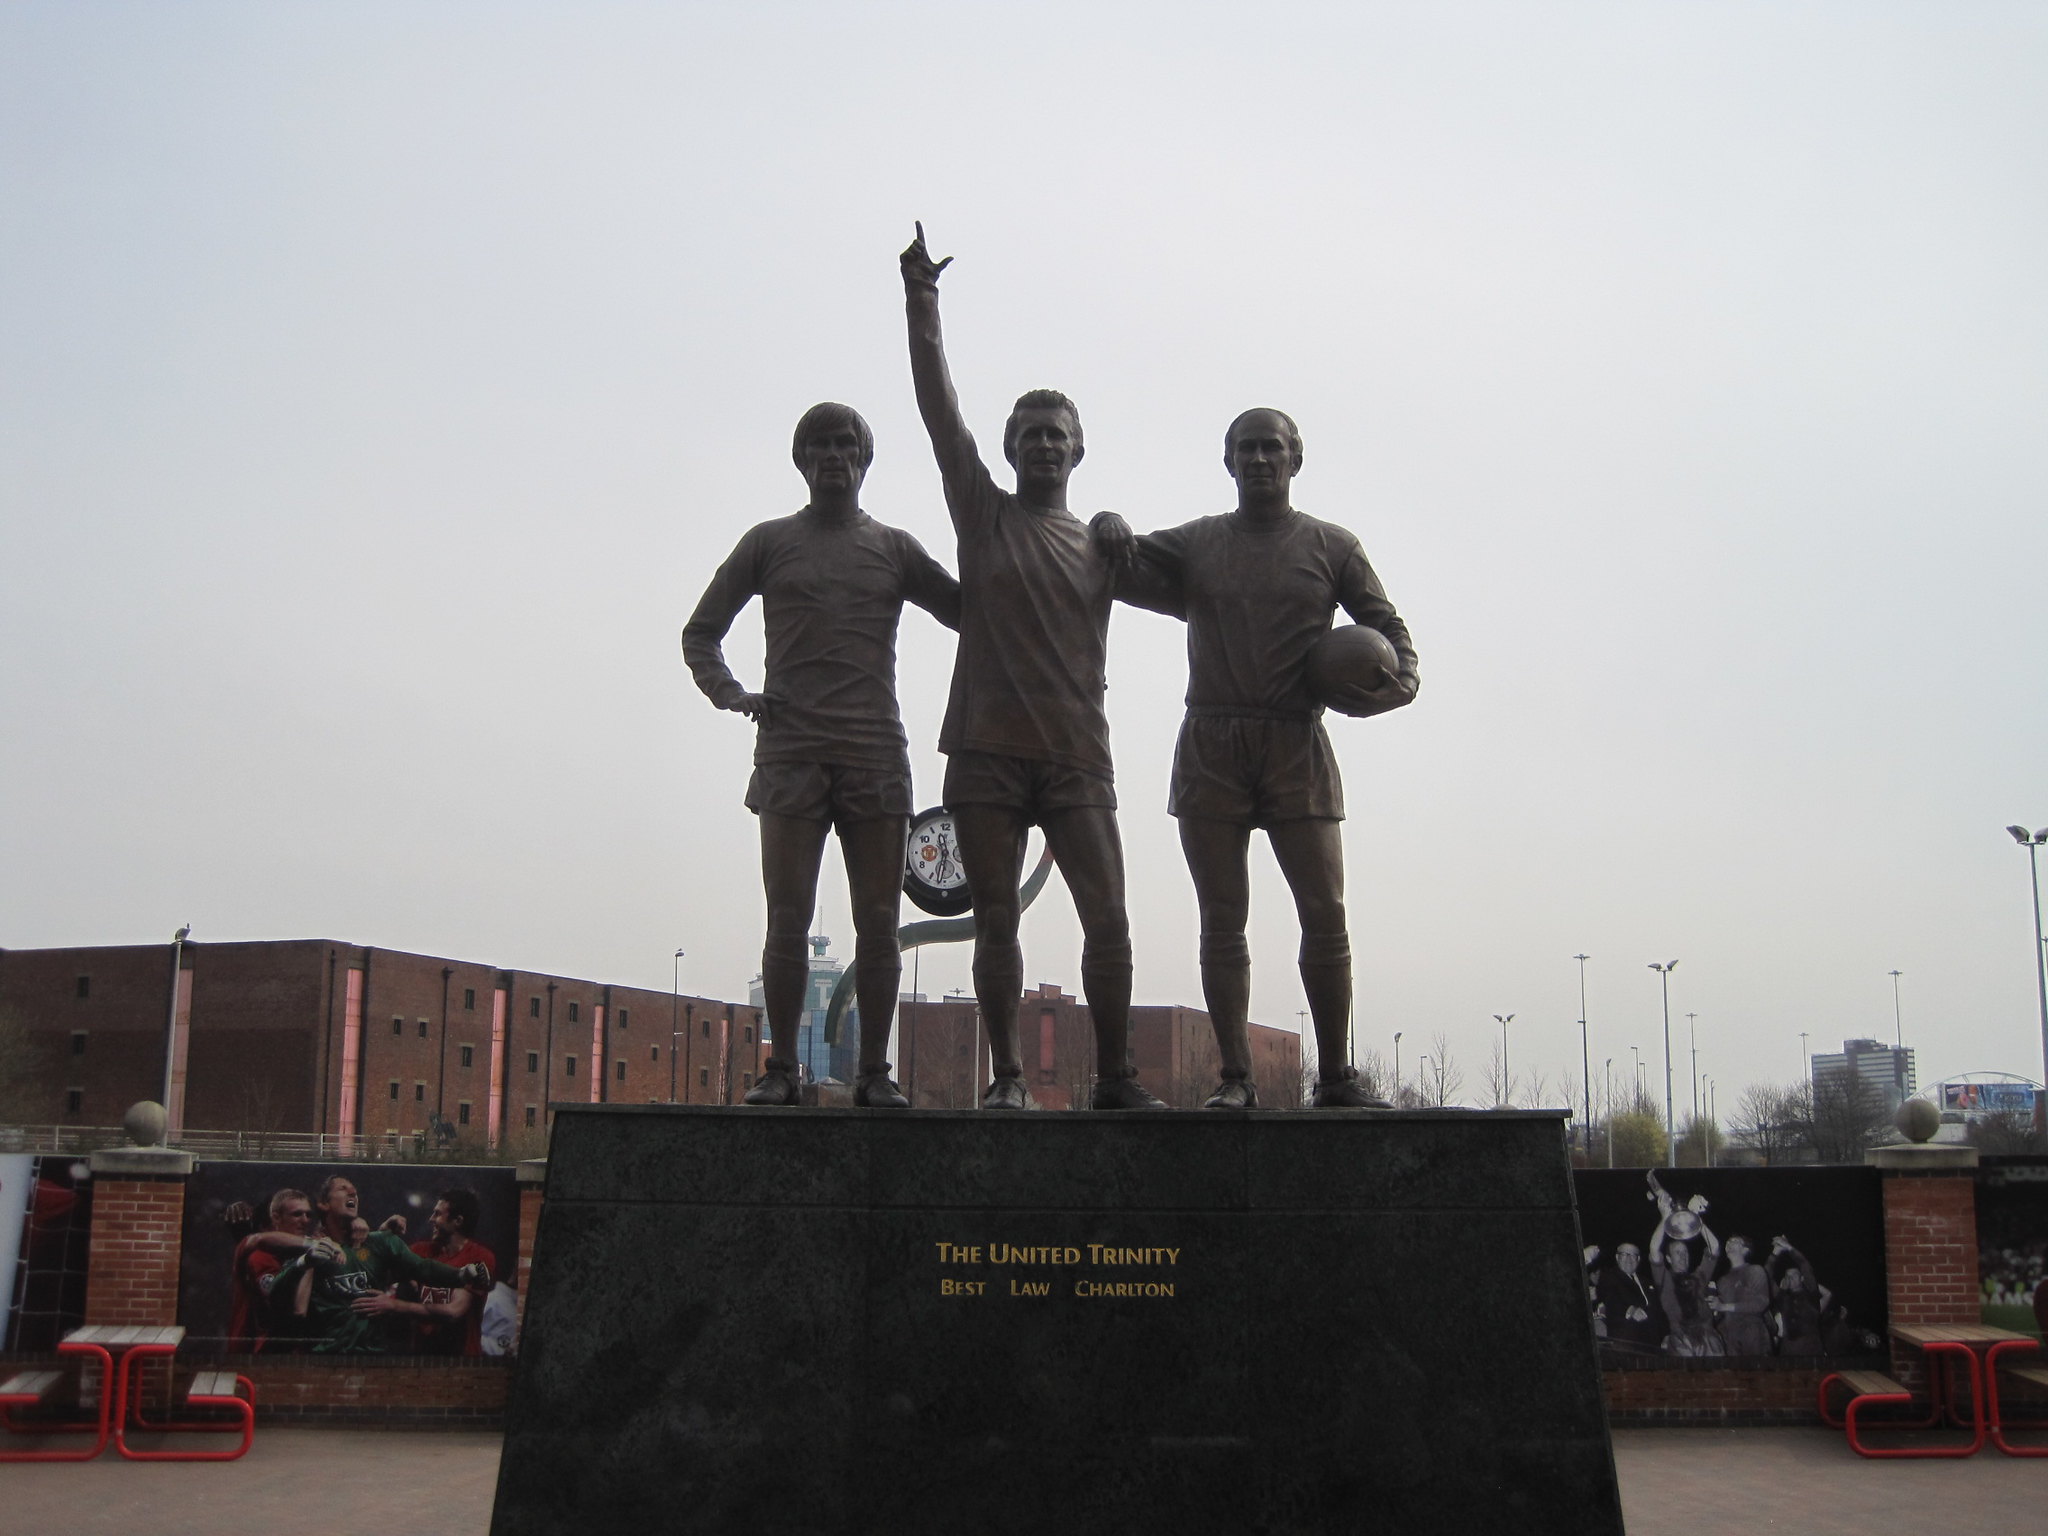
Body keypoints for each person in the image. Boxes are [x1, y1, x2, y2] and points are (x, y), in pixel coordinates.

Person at [900, 222, 1163, 1111]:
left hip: (1077, 754)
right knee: (998, 921)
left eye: (1058, 435)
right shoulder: (982, 512)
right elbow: (940, 412)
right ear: (1010, 450)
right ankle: (1008, 1078)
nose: (1044, 445)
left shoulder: (1104, 544)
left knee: (1111, 920)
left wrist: (1125, 533)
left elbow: (1199, 583)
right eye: (1030, 434)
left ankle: (1117, 1078)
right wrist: (922, 303)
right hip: (985, 752)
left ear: (1078, 451)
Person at [1108, 409, 1417, 1107]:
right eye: (1245, 448)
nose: (1258, 459)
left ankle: (1335, 1076)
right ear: (1228, 461)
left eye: (1271, 448)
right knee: (1222, 919)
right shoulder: (1198, 543)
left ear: (1294, 459)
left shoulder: (1333, 546)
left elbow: (1388, 628)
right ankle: (1236, 1079)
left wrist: (1403, 681)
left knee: (1325, 912)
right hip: (1212, 742)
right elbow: (1121, 563)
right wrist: (1106, 524)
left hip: (1294, 740)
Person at [684, 402, 960, 1108]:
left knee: (877, 922)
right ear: (801, 460)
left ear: (865, 460)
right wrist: (732, 693)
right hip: (792, 753)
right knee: (787, 916)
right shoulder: (768, 543)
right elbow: (701, 633)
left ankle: (873, 1071)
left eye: (846, 444)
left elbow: (971, 612)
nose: (833, 455)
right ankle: (780, 1068)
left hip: (874, 754)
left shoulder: (895, 548)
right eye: (819, 445)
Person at [268, 1175, 488, 1354]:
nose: (352, 1192)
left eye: (355, 1190)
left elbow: (423, 1268)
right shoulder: (314, 1249)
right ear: (324, 1204)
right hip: (325, 1356)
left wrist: (461, 1275)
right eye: (343, 1189)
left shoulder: (380, 1242)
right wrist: (305, 1262)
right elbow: (277, 1292)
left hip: (372, 1357)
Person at [350, 1188, 498, 1356]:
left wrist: (394, 1305)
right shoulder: (420, 1251)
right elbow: (372, 1270)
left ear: (457, 1221)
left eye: (437, 1214)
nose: (431, 1219)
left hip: (461, 1361)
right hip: (421, 1359)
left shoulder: (479, 1257)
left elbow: (453, 1311)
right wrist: (384, 1234)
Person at [225, 1188, 321, 1352]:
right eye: (297, 1214)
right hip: (257, 1355)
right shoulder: (259, 1256)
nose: (305, 1221)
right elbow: (280, 1302)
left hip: (288, 1353)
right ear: (271, 1222)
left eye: (308, 1215)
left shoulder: (299, 1253)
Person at [1648, 1194, 1725, 1357]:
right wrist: (1665, 1218)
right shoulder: (1665, 1279)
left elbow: (1715, 1248)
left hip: (1709, 1339)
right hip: (1681, 1341)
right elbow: (1654, 1249)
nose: (1683, 1256)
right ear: (1668, 1258)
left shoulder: (1698, 1277)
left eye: (1685, 1252)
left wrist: (1696, 1217)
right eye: (1677, 1253)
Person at [1593, 1239, 1666, 1354]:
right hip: (1627, 1341)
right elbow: (1610, 1298)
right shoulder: (1608, 1277)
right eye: (1624, 1254)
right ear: (1617, 1257)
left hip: (1653, 1343)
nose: (1629, 1259)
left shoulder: (1647, 1282)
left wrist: (1666, 1335)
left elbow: (1659, 1309)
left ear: (1638, 1259)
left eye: (1633, 1255)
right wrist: (1630, 1310)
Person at [1710, 1233, 1774, 1355]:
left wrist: (1724, 1306)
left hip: (1752, 1335)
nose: (1729, 1243)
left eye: (1735, 1241)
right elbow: (1719, 1312)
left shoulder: (1755, 1270)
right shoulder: (1722, 1280)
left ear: (1745, 1250)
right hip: (1729, 1337)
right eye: (1728, 1241)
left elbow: (1761, 1303)